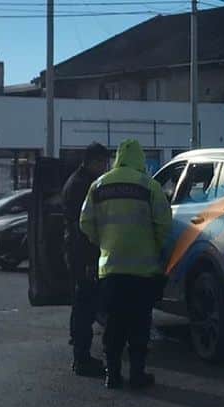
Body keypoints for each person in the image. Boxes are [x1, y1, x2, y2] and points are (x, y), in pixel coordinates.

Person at [80, 139, 172, 390]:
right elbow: (164, 223)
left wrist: (105, 241)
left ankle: (113, 374)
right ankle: (138, 375)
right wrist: (154, 245)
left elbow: (85, 222)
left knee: (114, 324)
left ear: (118, 157)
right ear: (140, 158)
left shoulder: (98, 185)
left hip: (111, 269)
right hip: (142, 271)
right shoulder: (149, 185)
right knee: (139, 324)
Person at [62, 142, 109, 377]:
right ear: (93, 161)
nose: (104, 168)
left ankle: (80, 351)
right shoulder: (83, 185)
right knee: (84, 304)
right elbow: (84, 226)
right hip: (83, 252)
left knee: (82, 303)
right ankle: (82, 358)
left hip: (76, 251)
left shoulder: (76, 181)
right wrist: (91, 259)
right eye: (103, 163)